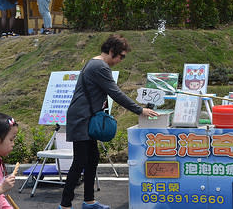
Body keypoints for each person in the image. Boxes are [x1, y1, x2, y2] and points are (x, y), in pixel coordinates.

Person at [59, 34, 159, 209]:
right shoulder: (100, 67)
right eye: (121, 56)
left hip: (85, 117)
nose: (122, 60)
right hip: (82, 118)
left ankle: (89, 201)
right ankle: (65, 205)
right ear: (112, 51)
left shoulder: (95, 63)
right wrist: (139, 110)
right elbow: (116, 93)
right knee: (80, 161)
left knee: (92, 158)